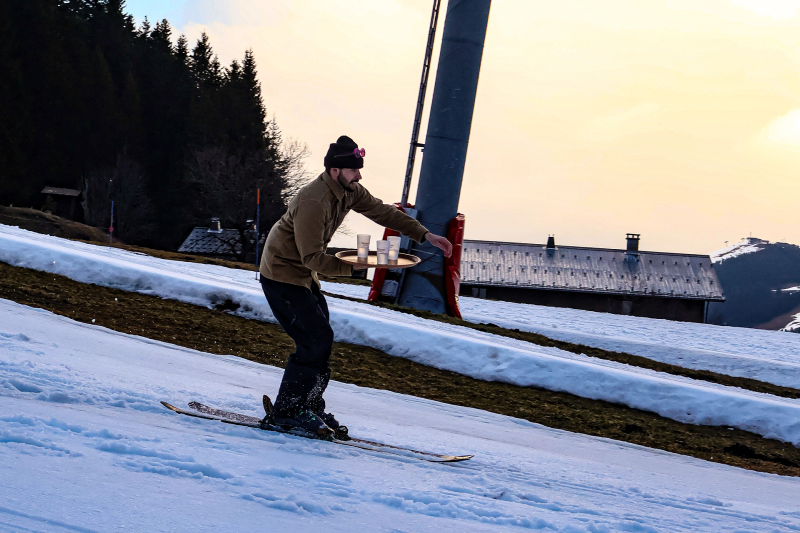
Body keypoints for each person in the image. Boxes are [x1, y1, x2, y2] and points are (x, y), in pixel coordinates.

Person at [259, 135, 452, 438]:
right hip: (282, 274)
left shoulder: (349, 191)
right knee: (314, 340)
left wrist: (426, 235)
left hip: (304, 275)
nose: (359, 175)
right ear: (335, 171)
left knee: (322, 339)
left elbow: (382, 211)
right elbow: (312, 257)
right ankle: (288, 411)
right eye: (353, 170)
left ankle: (309, 406)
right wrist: (352, 268)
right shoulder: (315, 201)